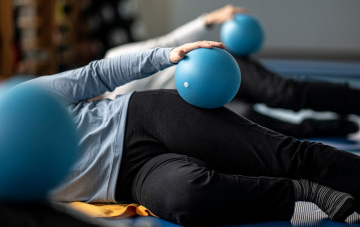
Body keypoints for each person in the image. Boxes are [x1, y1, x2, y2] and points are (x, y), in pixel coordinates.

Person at [22, 40, 360, 226]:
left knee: (282, 155)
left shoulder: (17, 104)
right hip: (134, 180)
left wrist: (166, 56)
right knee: (186, 200)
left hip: (144, 118)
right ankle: (302, 192)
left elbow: (97, 74)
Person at [104, 5, 360, 139]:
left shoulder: (112, 60)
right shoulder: (111, 115)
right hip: (207, 104)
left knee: (285, 94)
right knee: (265, 131)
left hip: (218, 67)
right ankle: (324, 128)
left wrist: (210, 19)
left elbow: (167, 40)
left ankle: (353, 100)